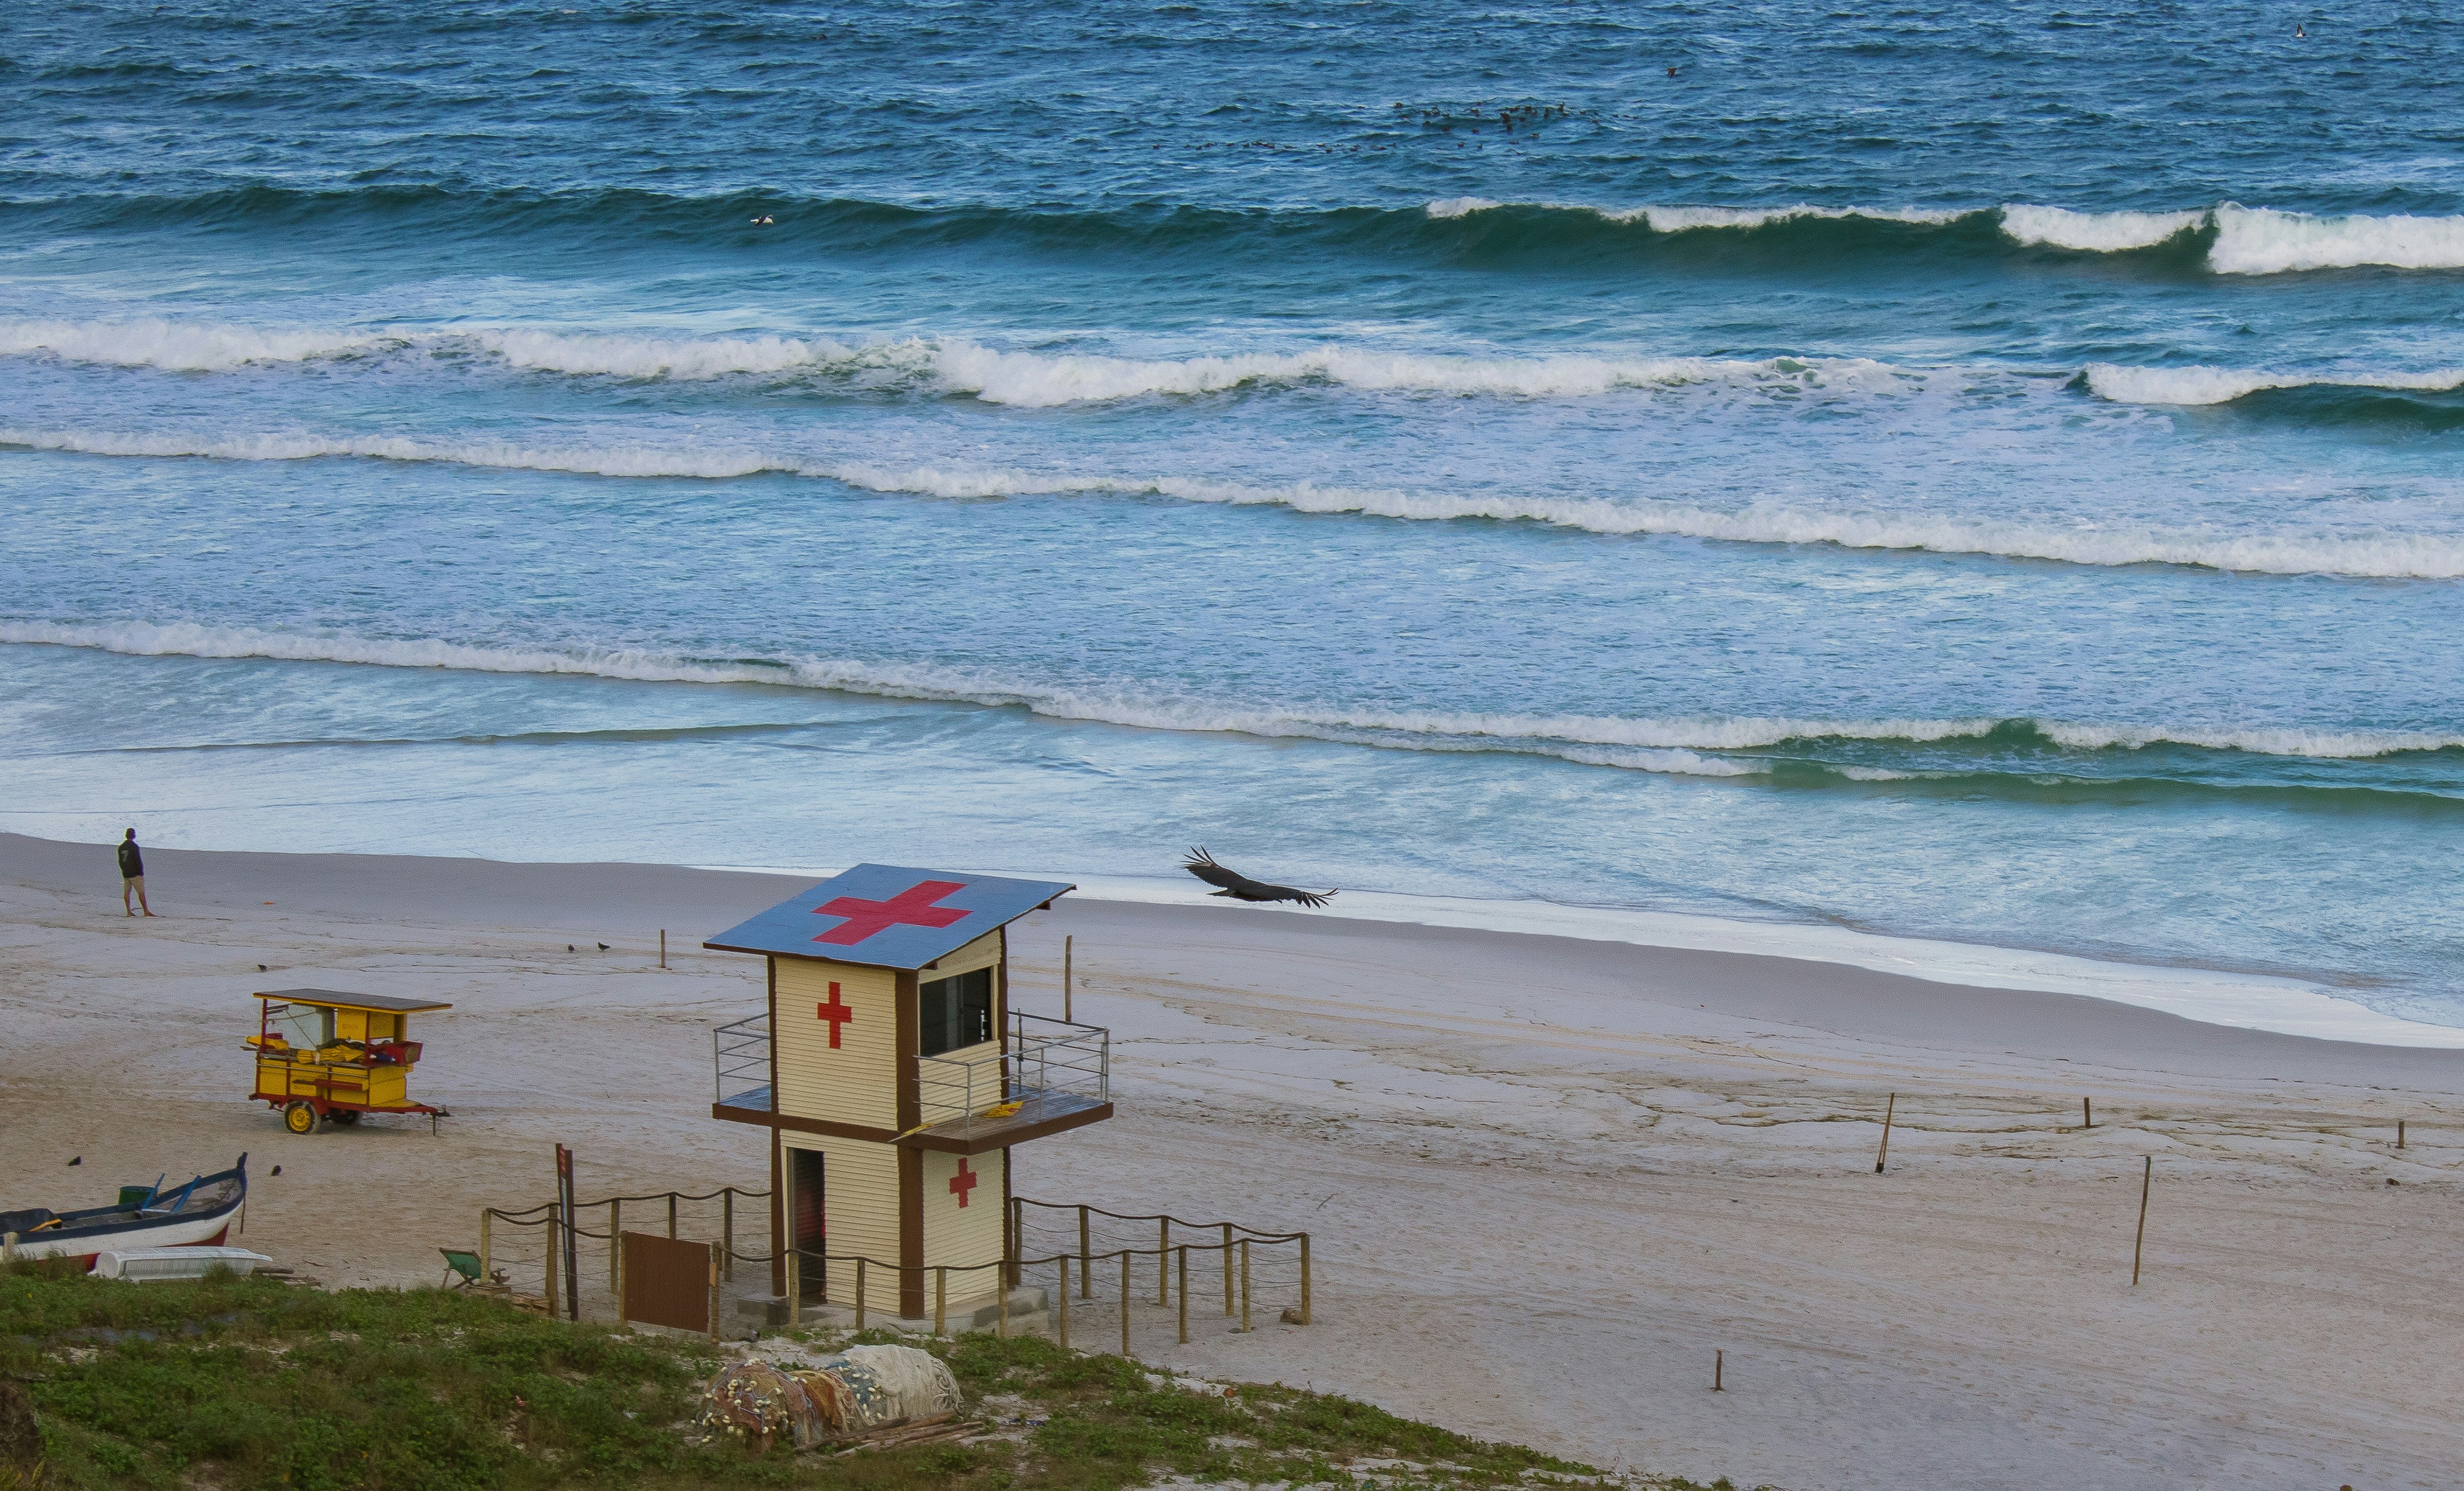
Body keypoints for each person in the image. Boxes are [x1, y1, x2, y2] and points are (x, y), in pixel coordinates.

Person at [118, 829, 154, 917]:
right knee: (141, 892)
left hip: (126, 873)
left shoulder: (121, 847)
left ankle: (129, 911)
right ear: (133, 836)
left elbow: (121, 861)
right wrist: (141, 873)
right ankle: (146, 911)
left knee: (126, 892)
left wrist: (123, 871)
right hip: (135, 873)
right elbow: (138, 861)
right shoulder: (134, 847)